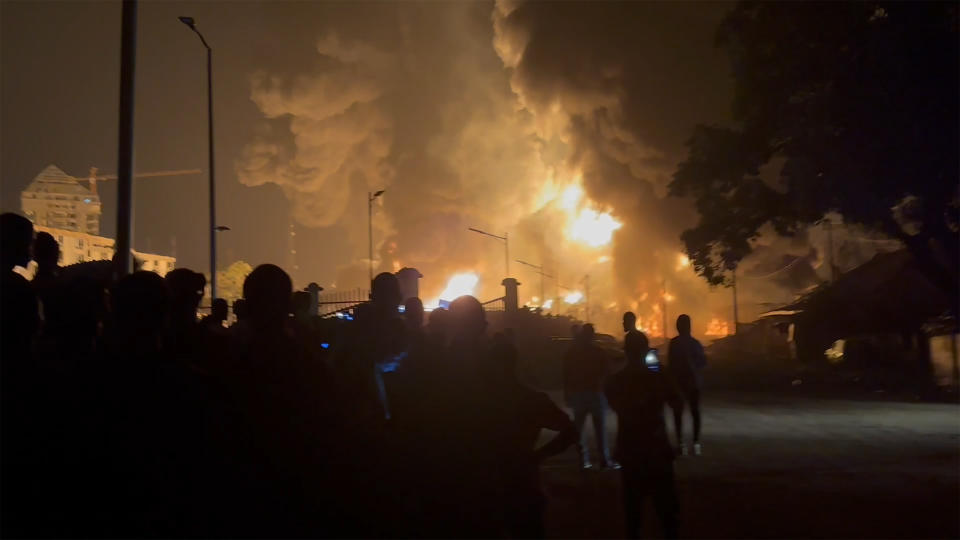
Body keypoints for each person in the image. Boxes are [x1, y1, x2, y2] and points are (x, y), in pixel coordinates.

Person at [486, 338, 577, 538]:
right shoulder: (531, 400)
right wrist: (537, 456)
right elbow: (571, 431)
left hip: (492, 486)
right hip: (523, 484)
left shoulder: (483, 402)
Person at [606, 330, 680, 539]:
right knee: (667, 513)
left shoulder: (615, 381)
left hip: (631, 452)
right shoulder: (659, 376)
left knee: (633, 514)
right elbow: (676, 403)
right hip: (658, 451)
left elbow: (616, 404)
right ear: (646, 350)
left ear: (626, 352)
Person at [563, 323, 616, 469]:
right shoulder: (598, 352)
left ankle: (583, 460)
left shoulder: (573, 352)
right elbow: (607, 373)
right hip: (595, 393)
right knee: (600, 430)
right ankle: (604, 460)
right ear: (591, 335)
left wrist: (567, 392)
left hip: (579, 393)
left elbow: (566, 374)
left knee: (579, 430)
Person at [666, 314, 707, 456]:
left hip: (679, 383)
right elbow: (703, 363)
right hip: (693, 383)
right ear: (689, 327)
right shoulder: (696, 343)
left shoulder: (674, 344)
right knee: (695, 412)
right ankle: (695, 444)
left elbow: (670, 365)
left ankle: (681, 444)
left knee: (678, 413)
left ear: (678, 327)